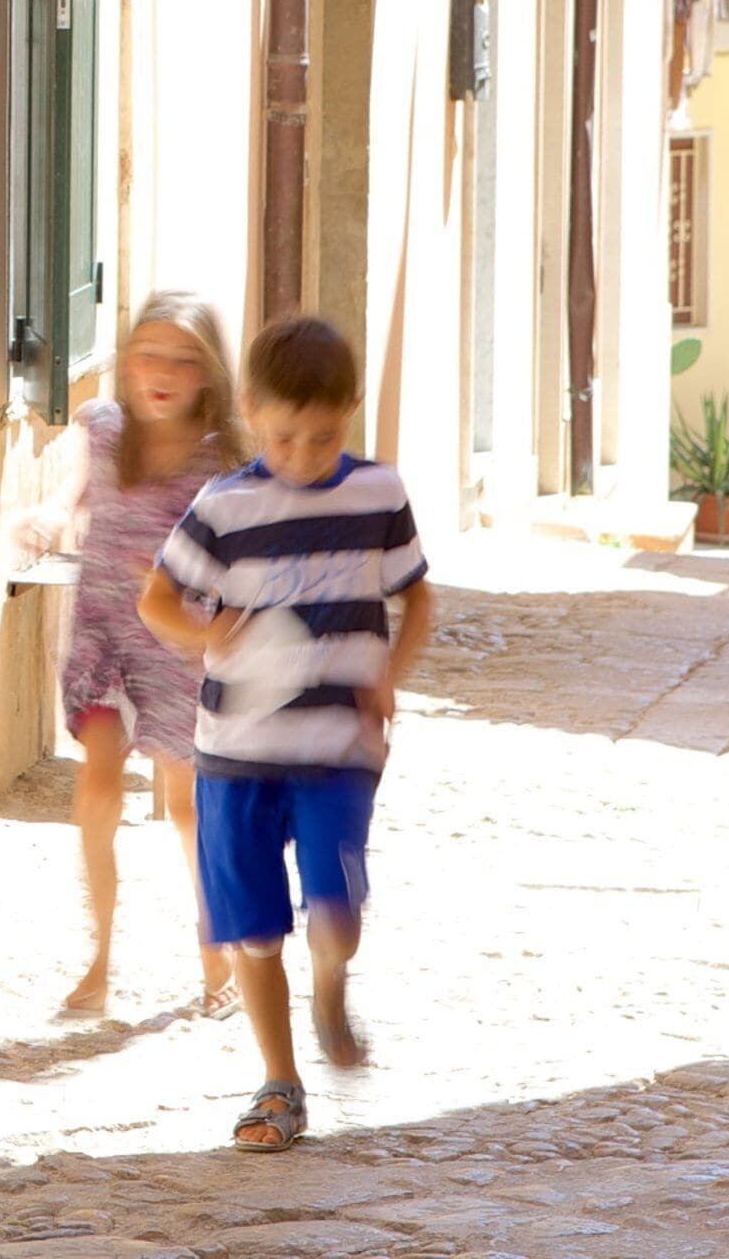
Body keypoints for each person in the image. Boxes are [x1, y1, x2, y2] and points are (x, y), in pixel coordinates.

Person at [139, 314, 432, 1154]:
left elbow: (419, 596)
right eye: (283, 437)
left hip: (341, 746)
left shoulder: (378, 494)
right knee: (252, 928)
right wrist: (206, 637)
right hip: (234, 756)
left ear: (351, 413)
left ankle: (332, 984)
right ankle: (279, 1083)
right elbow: (157, 599)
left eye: (324, 436)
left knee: (337, 904)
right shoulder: (223, 506)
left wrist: (389, 670)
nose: (304, 456)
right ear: (252, 412)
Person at [9, 293, 245, 1019]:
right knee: (98, 789)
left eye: (182, 360)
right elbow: (79, 495)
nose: (162, 373)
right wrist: (53, 514)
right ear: (125, 362)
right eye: (147, 355)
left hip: (177, 644)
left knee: (185, 808)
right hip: (103, 632)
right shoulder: (106, 432)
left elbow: (239, 556)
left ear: (208, 374)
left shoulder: (223, 463)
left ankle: (218, 960)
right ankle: (100, 959)